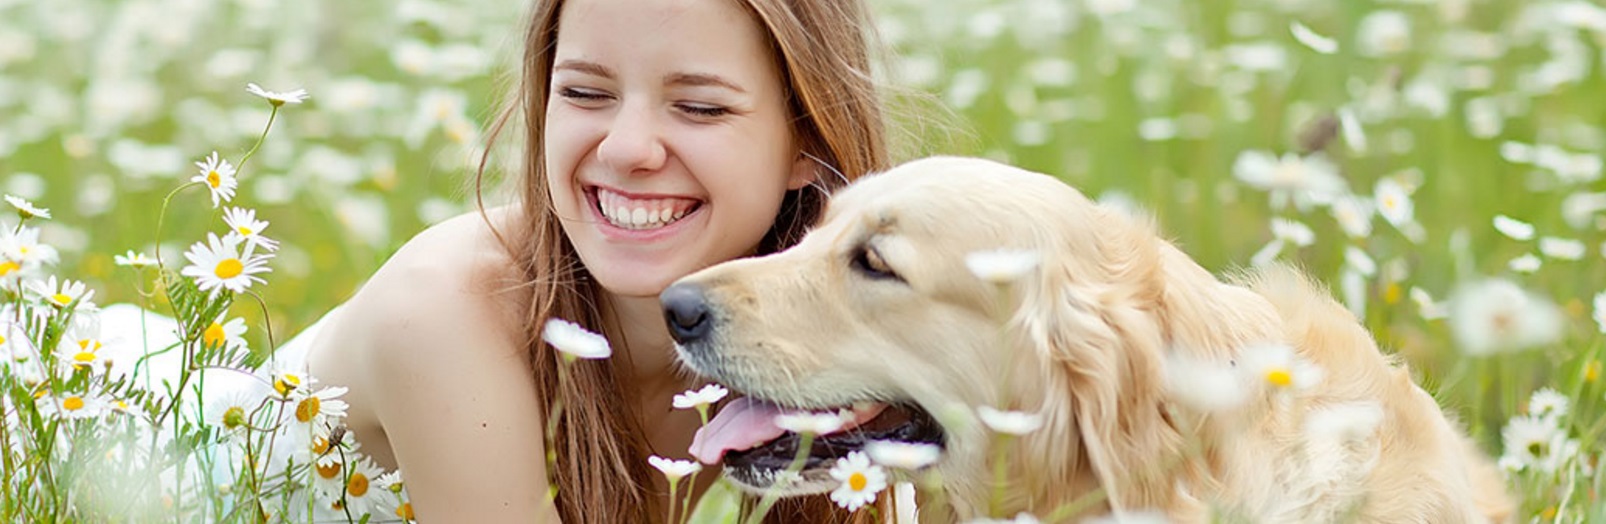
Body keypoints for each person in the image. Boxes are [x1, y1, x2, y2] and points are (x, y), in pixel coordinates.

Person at [302, 0, 894, 521]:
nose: (626, 148)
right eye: (584, 93)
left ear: (808, 141)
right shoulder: (439, 313)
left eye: (699, 106)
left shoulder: (828, 324)